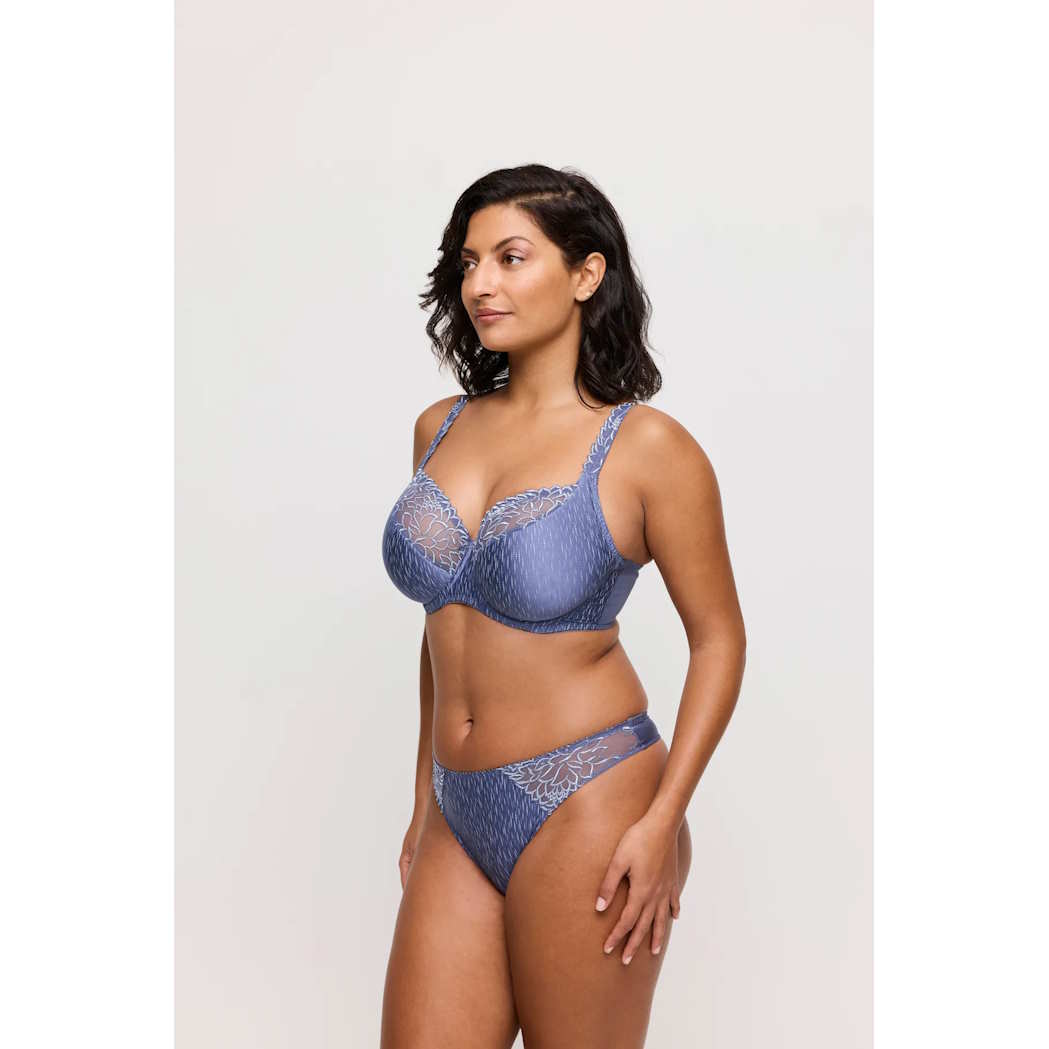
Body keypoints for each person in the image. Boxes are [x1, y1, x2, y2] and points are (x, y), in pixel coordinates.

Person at [379, 164, 746, 1048]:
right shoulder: (440, 426)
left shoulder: (646, 447)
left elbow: (719, 641)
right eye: (468, 263)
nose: (481, 284)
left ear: (585, 274)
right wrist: (424, 798)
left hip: (590, 798)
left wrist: (661, 821)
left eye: (510, 258)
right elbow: (442, 627)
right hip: (456, 805)